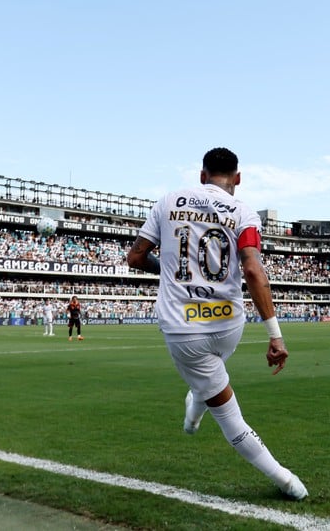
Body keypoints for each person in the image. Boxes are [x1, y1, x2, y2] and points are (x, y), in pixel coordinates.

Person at [126, 147, 307, 501]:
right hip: (228, 326)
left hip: (184, 329)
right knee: (210, 378)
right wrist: (275, 336)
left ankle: (287, 482)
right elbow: (253, 270)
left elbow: (134, 257)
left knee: (226, 412)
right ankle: (193, 417)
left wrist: (166, 268)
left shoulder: (167, 202)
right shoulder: (244, 213)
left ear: (201, 174)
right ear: (237, 179)